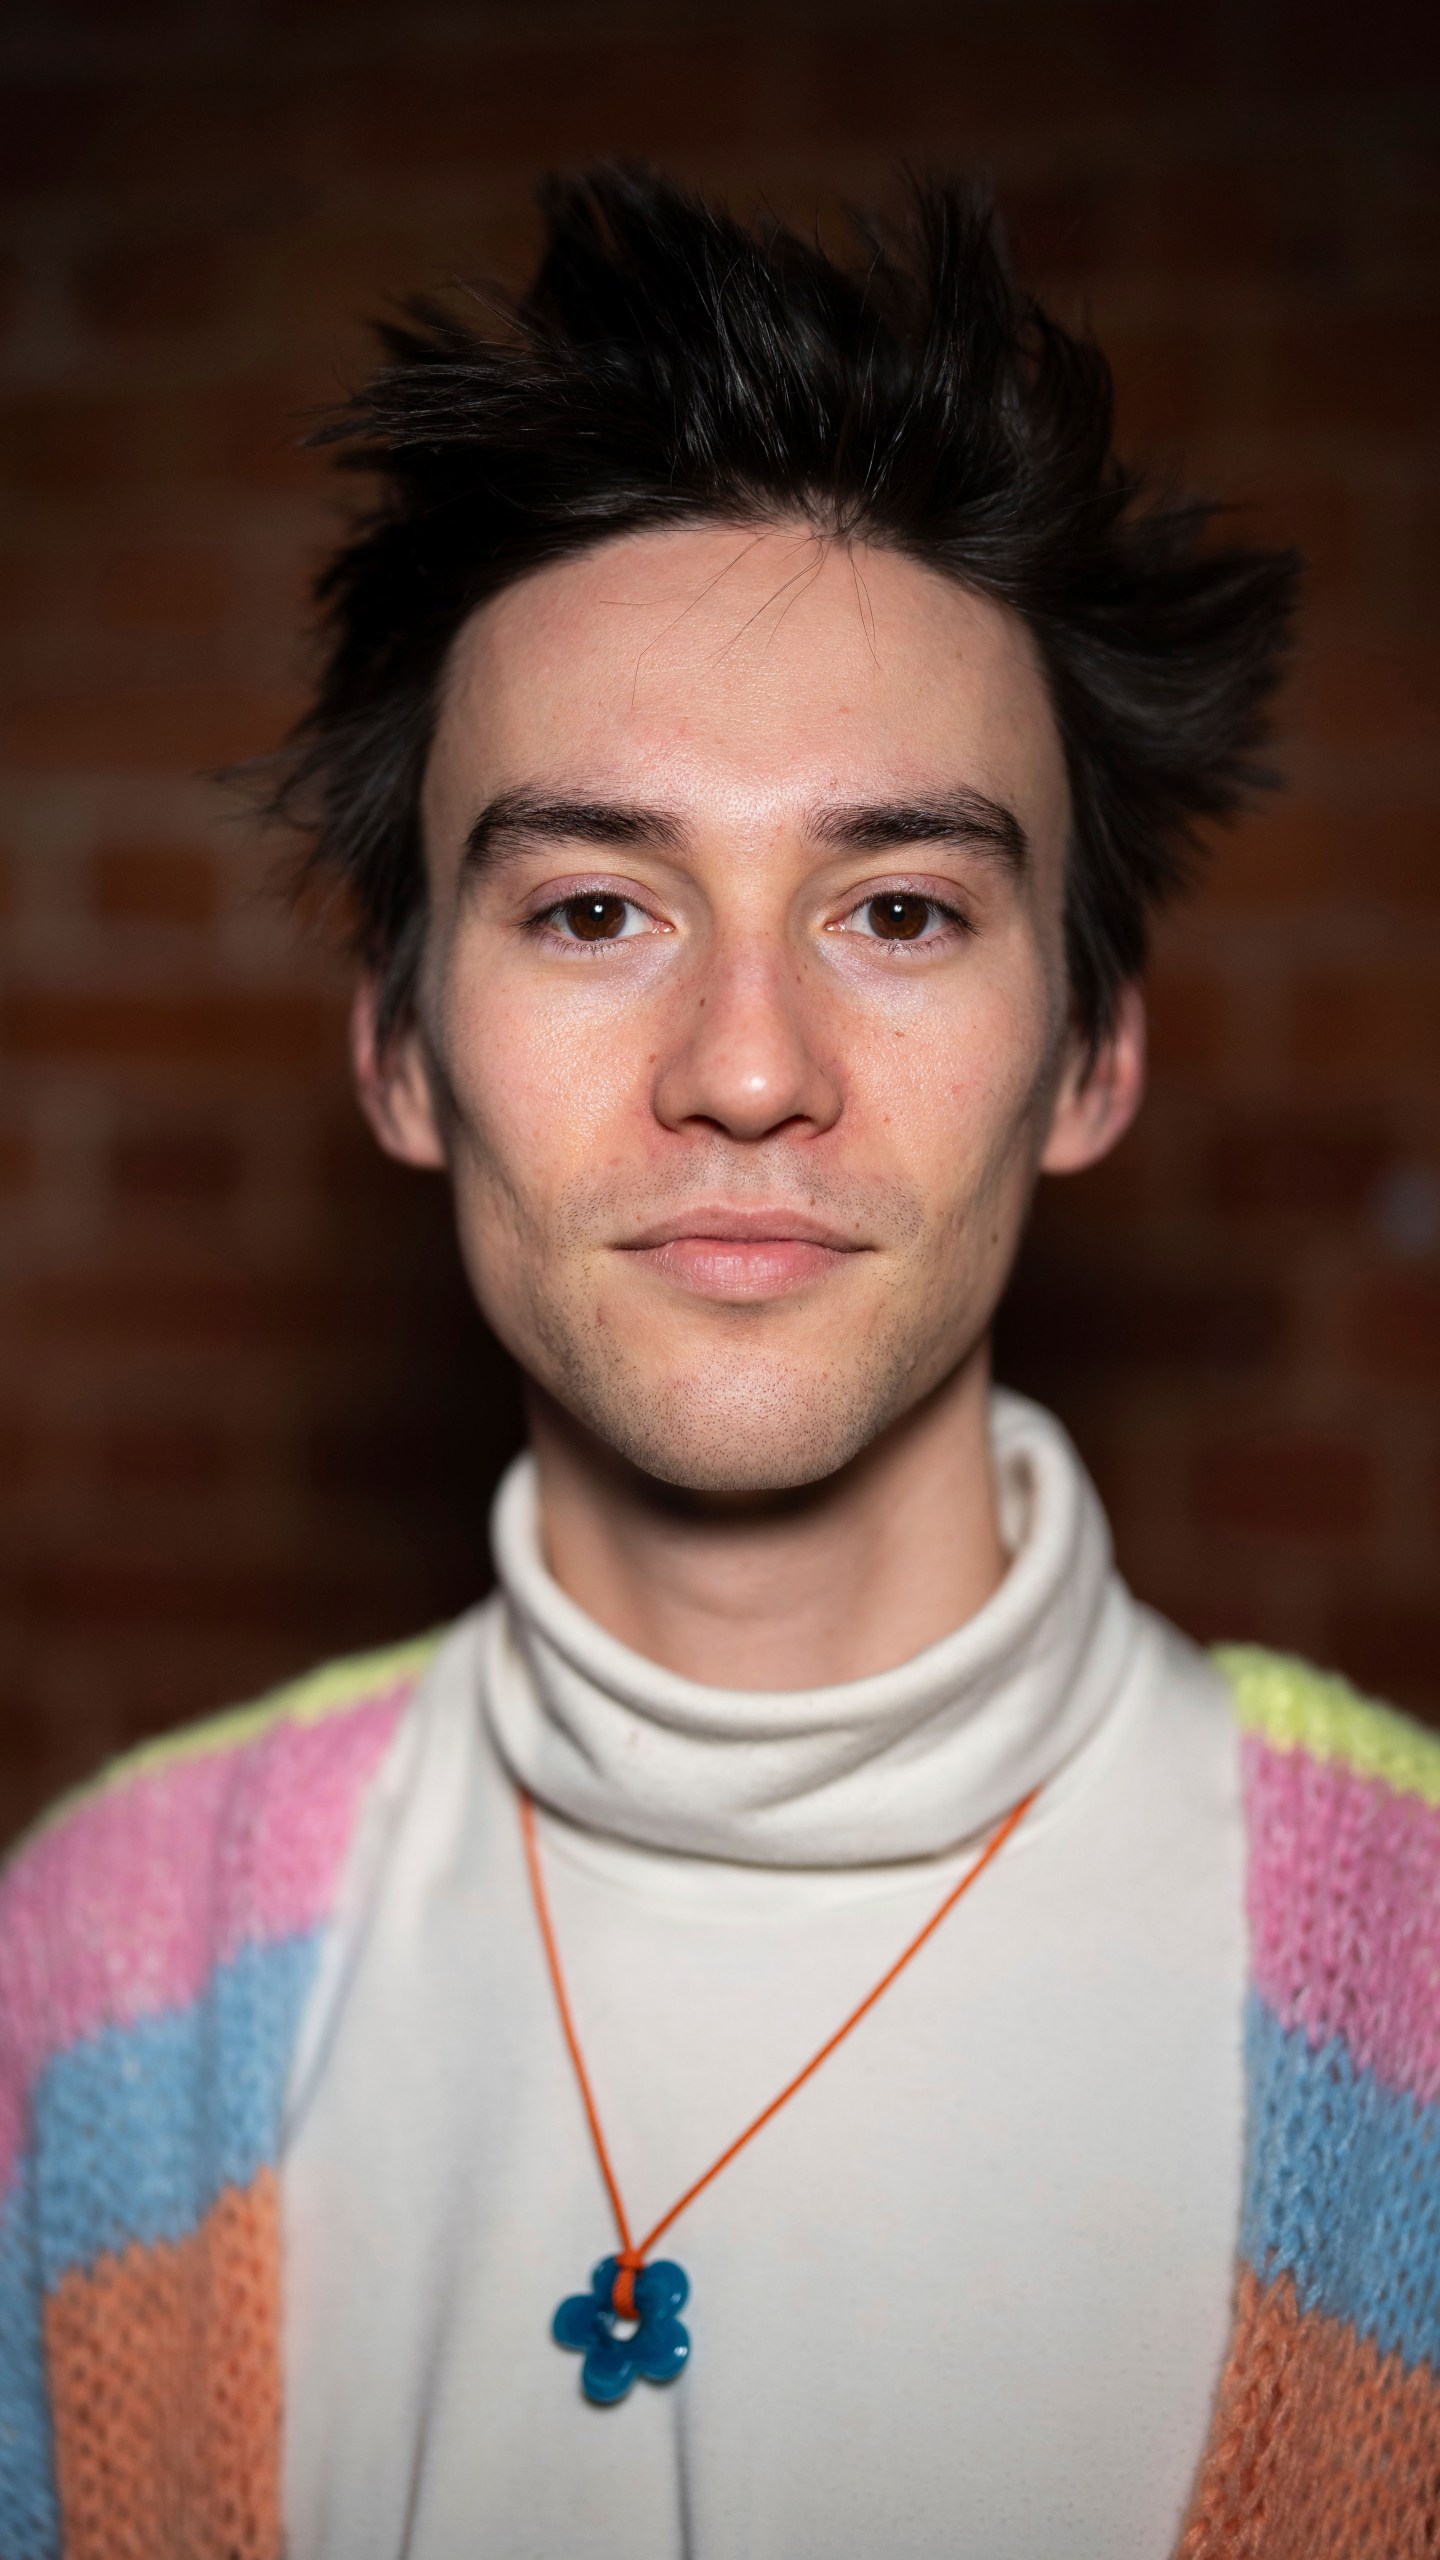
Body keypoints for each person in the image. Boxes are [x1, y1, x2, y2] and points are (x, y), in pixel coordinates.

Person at [1, 166, 1435, 2560]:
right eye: (591, 905)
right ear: (399, 1053)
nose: (748, 1067)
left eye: (896, 907)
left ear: (1086, 1055)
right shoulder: (82, 1981)